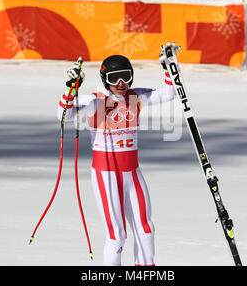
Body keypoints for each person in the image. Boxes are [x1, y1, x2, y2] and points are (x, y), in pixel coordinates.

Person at [57, 47, 176, 266]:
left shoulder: (135, 97)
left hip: (132, 172)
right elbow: (66, 114)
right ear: (104, 79)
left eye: (126, 77)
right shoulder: (96, 102)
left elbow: (169, 94)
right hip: (106, 175)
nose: (121, 83)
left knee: (145, 227)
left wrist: (169, 66)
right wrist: (70, 88)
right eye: (114, 78)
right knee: (117, 235)